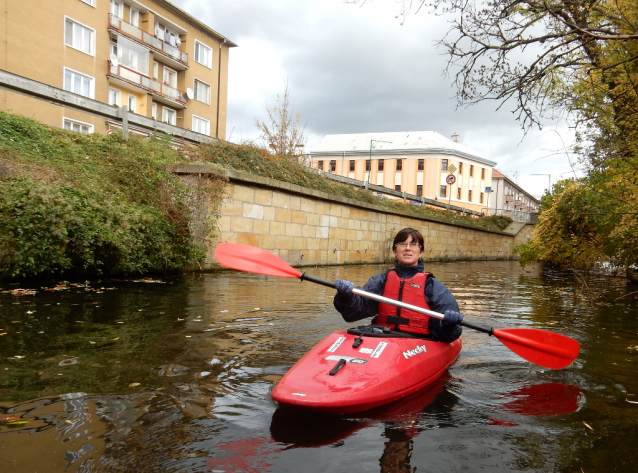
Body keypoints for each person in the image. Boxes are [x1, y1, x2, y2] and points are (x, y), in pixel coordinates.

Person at [334, 227, 463, 343]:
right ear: (395, 251)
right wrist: (345, 297)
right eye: (402, 244)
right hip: (382, 335)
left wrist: (449, 324)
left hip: (417, 340)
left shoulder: (433, 286)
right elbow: (354, 312)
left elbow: (449, 335)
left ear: (421, 251)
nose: (408, 248)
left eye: (413, 244)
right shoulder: (381, 281)